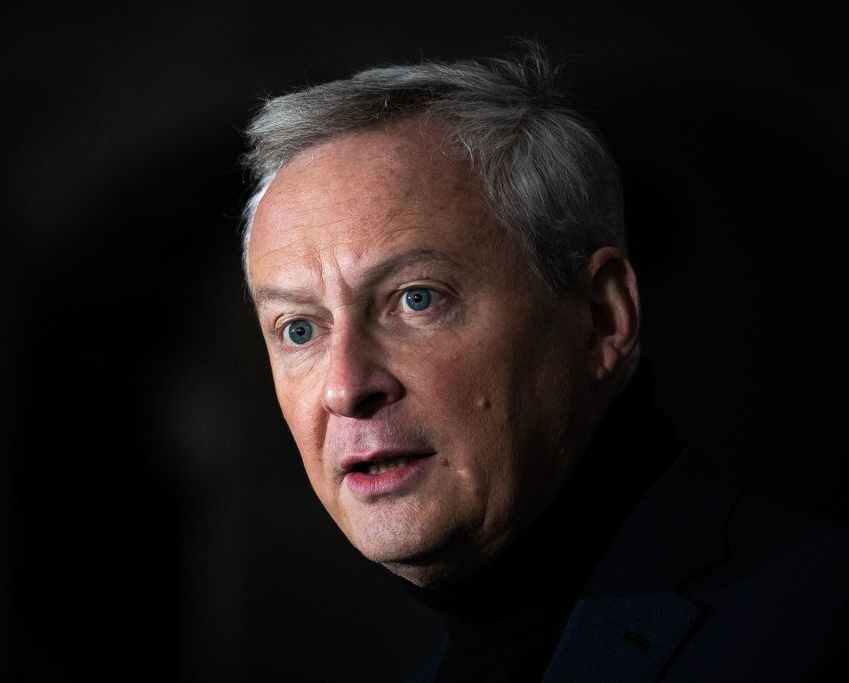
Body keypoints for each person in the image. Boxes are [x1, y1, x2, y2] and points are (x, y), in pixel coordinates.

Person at [238, 42, 849, 681]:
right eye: (299, 330)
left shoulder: (818, 632)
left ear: (602, 318)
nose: (344, 388)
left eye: (417, 299)